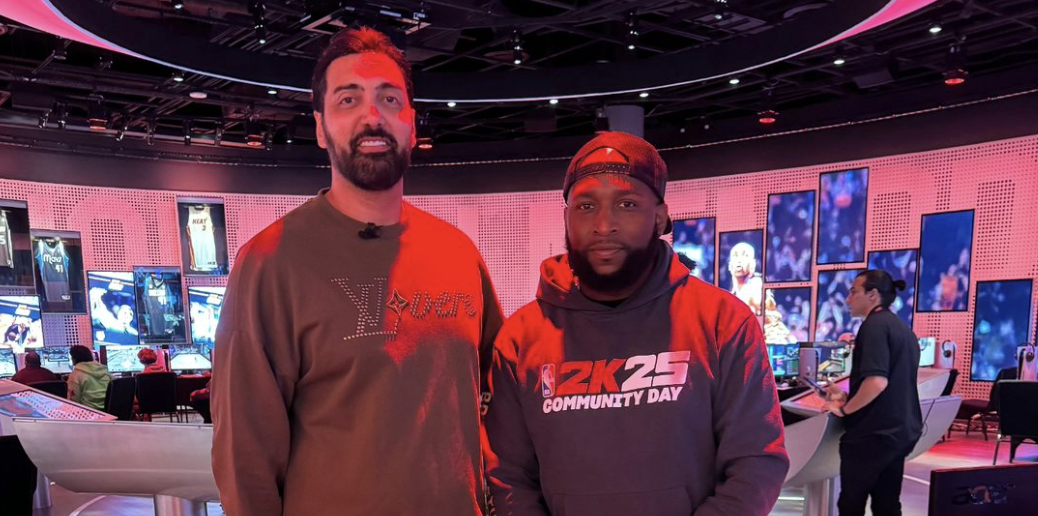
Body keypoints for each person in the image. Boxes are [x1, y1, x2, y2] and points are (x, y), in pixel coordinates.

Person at [211, 27, 504, 516]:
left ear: (412, 124)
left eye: (389, 99)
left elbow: (499, 396)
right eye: (348, 99)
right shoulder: (269, 263)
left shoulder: (457, 252)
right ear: (320, 127)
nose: (372, 117)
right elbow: (245, 459)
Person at [483, 131, 788, 516]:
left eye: (626, 204)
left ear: (659, 217)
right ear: (566, 218)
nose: (603, 224)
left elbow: (756, 462)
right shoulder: (520, 338)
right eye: (586, 206)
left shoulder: (723, 322)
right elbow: (508, 475)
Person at [822, 270, 922, 516]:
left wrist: (845, 409)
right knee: (887, 504)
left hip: (873, 436)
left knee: (851, 505)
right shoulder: (902, 328)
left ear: (872, 294)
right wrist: (847, 396)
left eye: (853, 292)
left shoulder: (873, 327)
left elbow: (877, 382)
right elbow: (890, 384)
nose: (848, 299)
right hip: (898, 432)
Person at [67, 344, 110, 411]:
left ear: (74, 359)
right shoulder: (104, 371)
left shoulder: (75, 375)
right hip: (108, 412)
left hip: (89, 412)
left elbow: (74, 402)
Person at [728, 242, 763, 315]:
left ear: (753, 264)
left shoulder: (757, 282)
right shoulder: (729, 295)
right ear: (730, 265)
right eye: (735, 256)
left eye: (745, 256)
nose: (739, 260)